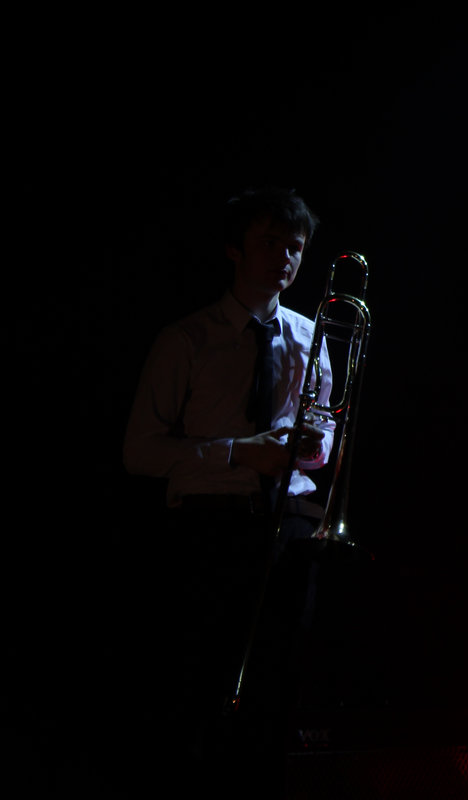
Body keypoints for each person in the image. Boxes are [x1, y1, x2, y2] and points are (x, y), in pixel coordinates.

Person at [123, 187, 334, 793]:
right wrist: (240, 451)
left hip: (287, 527)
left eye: (294, 247)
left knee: (278, 691)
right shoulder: (186, 340)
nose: (284, 258)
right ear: (234, 249)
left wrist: (316, 445)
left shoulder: (311, 337)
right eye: (270, 243)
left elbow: (325, 440)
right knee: (198, 689)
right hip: (208, 526)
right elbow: (140, 452)